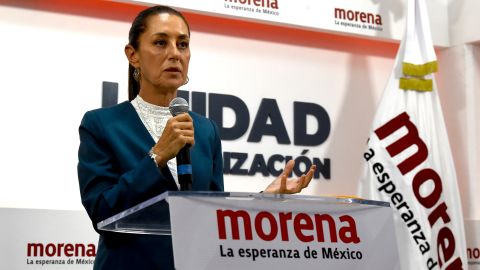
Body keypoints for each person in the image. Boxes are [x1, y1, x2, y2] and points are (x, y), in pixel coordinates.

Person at [77, 5, 316, 270]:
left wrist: (263, 199)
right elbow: (101, 213)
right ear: (133, 55)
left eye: (182, 44)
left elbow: (211, 216)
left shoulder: (206, 130)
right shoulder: (101, 124)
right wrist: (156, 156)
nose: (174, 54)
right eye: (160, 42)